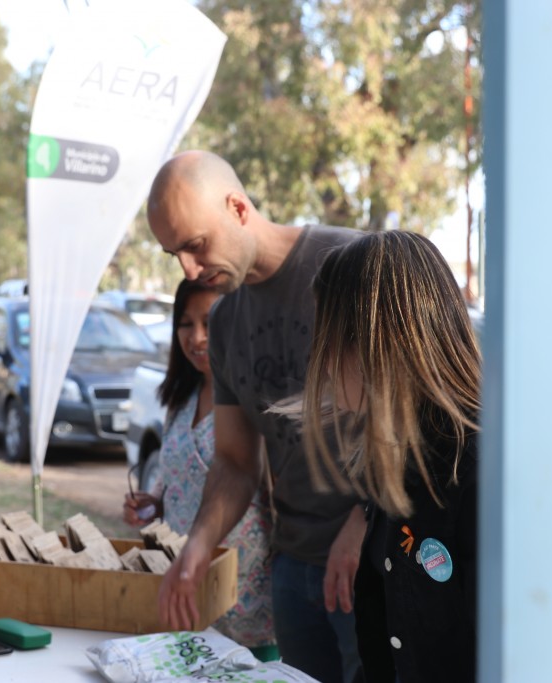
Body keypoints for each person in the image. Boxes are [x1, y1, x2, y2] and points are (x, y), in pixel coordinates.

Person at [147, 150, 364, 683]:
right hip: (292, 568)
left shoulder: (353, 262)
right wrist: (197, 548)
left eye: (196, 245)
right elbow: (235, 462)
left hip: (374, 561)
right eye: (175, 254)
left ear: (238, 208)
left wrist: (368, 519)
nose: (189, 270)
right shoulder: (225, 322)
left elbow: (433, 417)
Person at [296, 231, 481, 683]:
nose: (319, 358)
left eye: (327, 336)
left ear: (376, 341)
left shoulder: (482, 471)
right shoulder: (402, 452)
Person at [123, 278, 276, 658]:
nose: (197, 337)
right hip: (186, 591)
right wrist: (155, 501)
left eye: (209, 322)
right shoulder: (180, 398)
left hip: (246, 601)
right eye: (186, 324)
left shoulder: (257, 397)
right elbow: (178, 474)